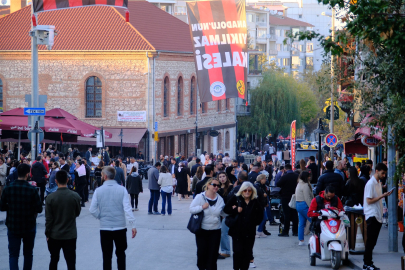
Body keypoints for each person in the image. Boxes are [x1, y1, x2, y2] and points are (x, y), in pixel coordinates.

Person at [89, 166, 137, 270]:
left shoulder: (98, 190)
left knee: (106, 256)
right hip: (120, 227)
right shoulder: (122, 189)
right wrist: (133, 225)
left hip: (105, 228)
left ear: (105, 176)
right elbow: (127, 208)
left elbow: (92, 210)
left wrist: (100, 216)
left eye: (102, 175)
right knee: (121, 254)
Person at [0, 164, 43, 270]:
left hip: (13, 224)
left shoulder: (8, 188)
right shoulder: (32, 189)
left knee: (13, 254)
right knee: (28, 254)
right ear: (28, 174)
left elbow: (2, 206)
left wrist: (10, 206)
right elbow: (39, 208)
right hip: (29, 225)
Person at [45, 170, 81, 270]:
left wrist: (47, 233)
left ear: (56, 181)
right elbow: (77, 213)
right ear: (67, 180)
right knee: (71, 262)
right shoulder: (75, 196)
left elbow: (49, 218)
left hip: (54, 234)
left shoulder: (50, 198)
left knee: (54, 259)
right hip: (70, 234)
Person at [224, 182, 263, 270]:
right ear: (242, 191)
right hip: (237, 230)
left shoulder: (254, 201)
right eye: (245, 190)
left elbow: (261, 214)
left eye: (249, 190)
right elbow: (226, 209)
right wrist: (236, 210)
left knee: (247, 252)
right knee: (237, 251)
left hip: (249, 231)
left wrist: (254, 222)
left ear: (252, 191)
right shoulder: (236, 198)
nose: (247, 192)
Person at [190, 178, 225, 270]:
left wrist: (230, 210)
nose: (216, 187)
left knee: (213, 254)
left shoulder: (220, 199)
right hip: (202, 229)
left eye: (218, 185)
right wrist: (202, 207)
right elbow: (191, 209)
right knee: (202, 253)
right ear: (208, 185)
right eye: (214, 185)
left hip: (215, 230)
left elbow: (223, 213)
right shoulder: (200, 197)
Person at [362, 163, 393, 270]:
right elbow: (369, 200)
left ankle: (368, 262)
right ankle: (367, 263)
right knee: (370, 241)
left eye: (385, 173)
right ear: (376, 171)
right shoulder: (370, 184)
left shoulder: (378, 183)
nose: (384, 175)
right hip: (372, 215)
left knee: (373, 241)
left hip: (377, 215)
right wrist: (382, 196)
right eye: (382, 173)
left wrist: (384, 192)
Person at [276, 163, 299, 237]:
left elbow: (278, 184)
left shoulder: (284, 176)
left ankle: (286, 231)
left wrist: (282, 177)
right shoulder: (296, 176)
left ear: (285, 169)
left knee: (286, 214)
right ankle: (295, 231)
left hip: (285, 196)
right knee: (295, 214)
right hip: (295, 196)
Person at [217, 172, 233, 259]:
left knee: (224, 232)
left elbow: (231, 201)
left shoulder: (230, 187)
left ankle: (226, 251)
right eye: (220, 177)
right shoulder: (218, 188)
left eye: (223, 176)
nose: (222, 178)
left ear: (226, 177)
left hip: (227, 212)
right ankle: (224, 250)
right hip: (219, 212)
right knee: (221, 232)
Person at [295, 171, 314, 245]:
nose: (310, 177)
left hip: (298, 204)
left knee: (301, 223)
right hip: (304, 205)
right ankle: (316, 238)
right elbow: (307, 198)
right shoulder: (305, 185)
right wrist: (312, 207)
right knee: (313, 221)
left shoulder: (299, 184)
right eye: (309, 176)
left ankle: (301, 240)